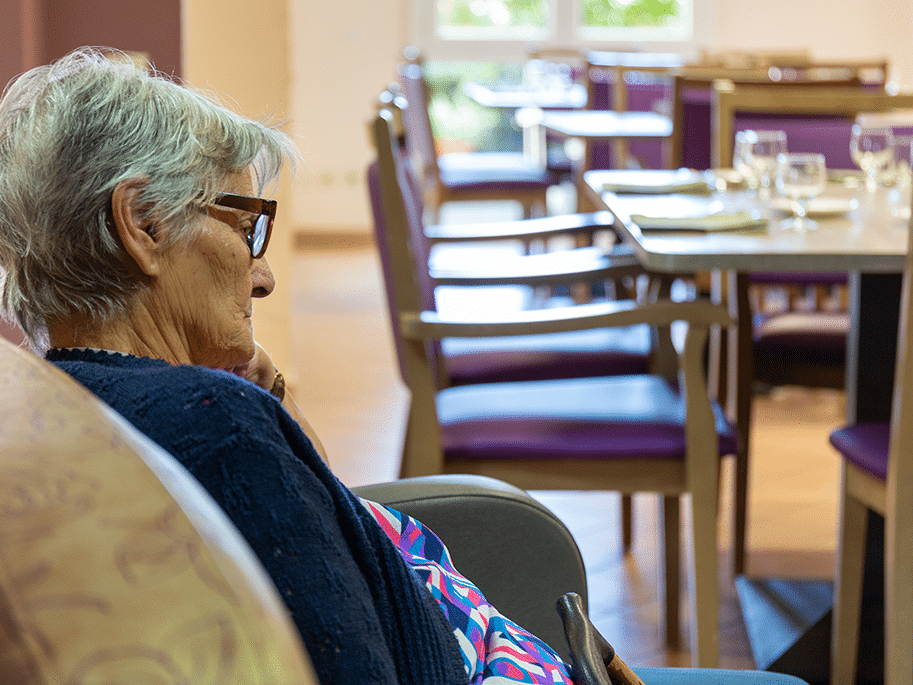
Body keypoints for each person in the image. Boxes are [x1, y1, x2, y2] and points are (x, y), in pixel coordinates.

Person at [0, 48, 574, 685]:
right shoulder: (217, 428)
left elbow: (325, 534)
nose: (264, 278)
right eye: (246, 228)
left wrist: (271, 398)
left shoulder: (64, 402)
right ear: (144, 223)